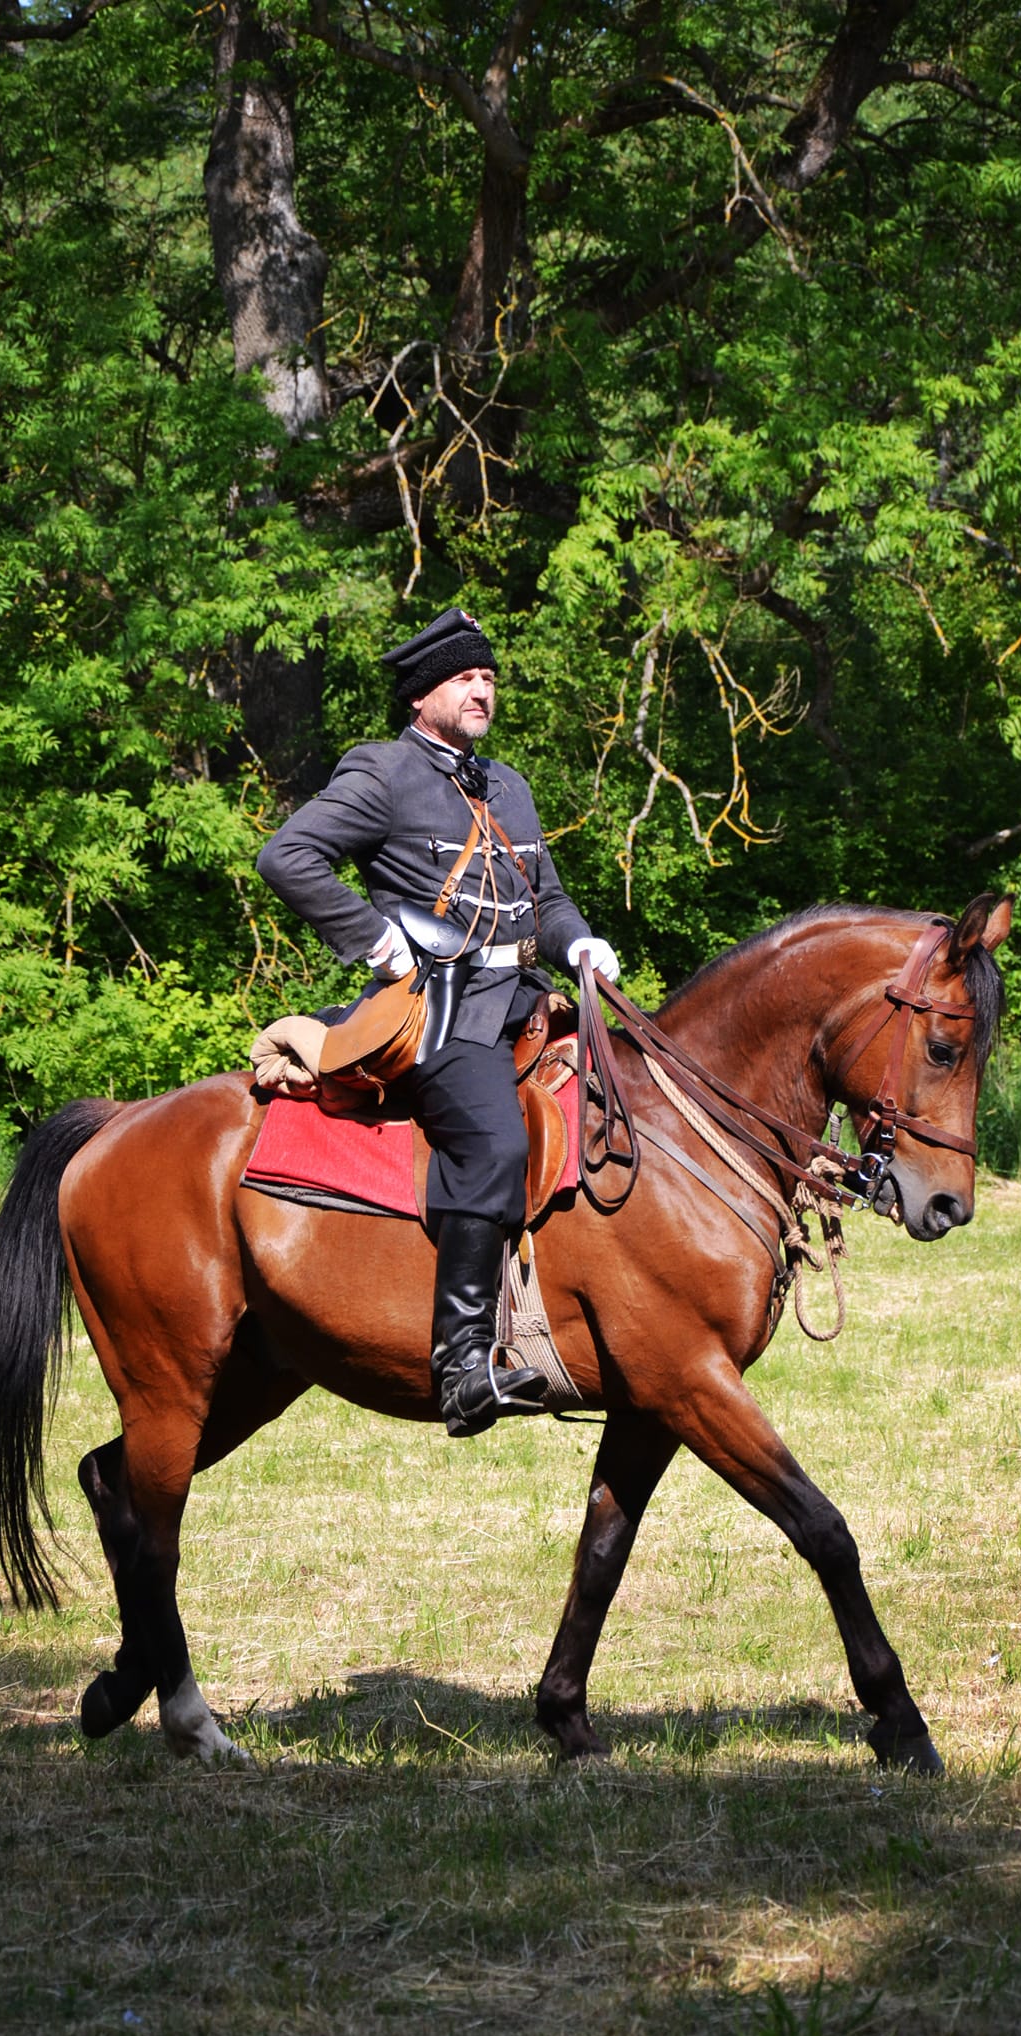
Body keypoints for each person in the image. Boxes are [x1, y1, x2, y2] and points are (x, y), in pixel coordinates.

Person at [256, 608, 620, 1437]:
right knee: (493, 1143)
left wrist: (579, 945)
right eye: (465, 678)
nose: (482, 689)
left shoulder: (508, 785)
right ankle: (462, 1365)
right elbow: (287, 857)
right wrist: (375, 939)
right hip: (440, 1014)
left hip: (527, 1001)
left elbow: (547, 898)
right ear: (423, 694)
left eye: (488, 677)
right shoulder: (382, 773)